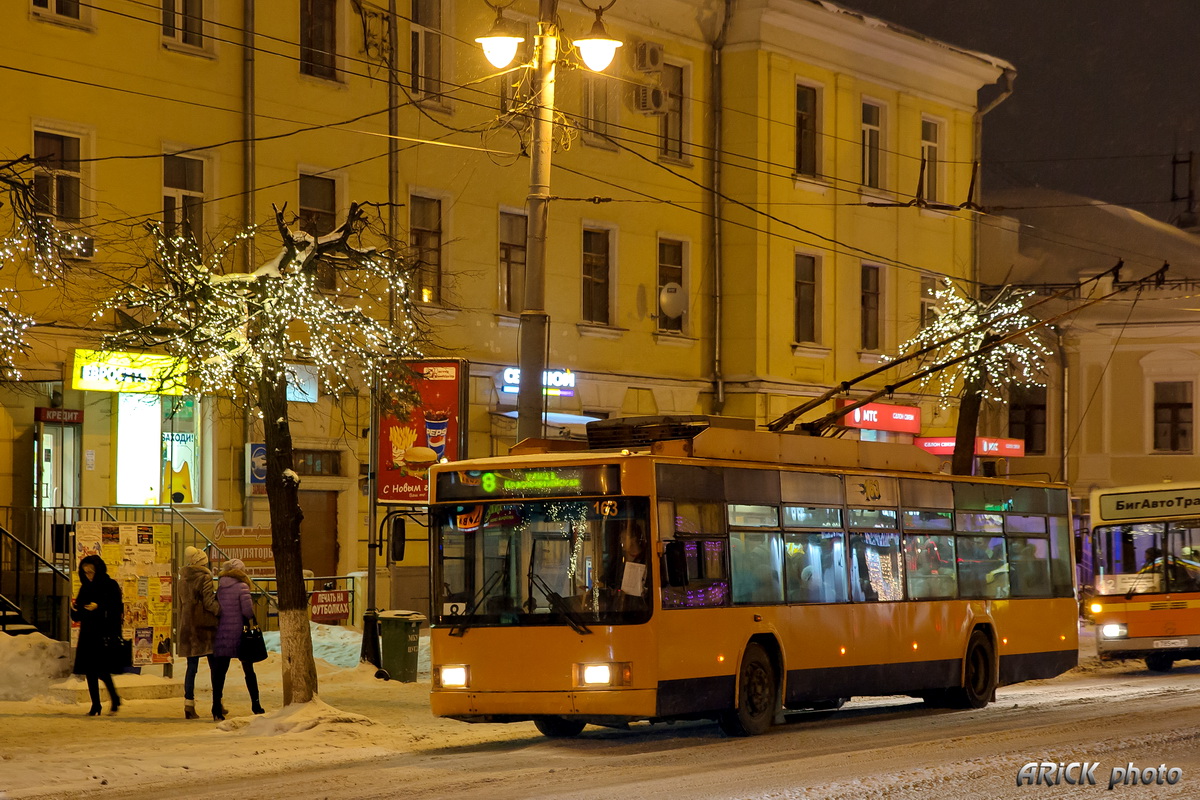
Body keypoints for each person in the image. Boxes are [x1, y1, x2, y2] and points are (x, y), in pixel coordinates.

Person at [211, 558, 265, 719]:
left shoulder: (221, 587)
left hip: (223, 632)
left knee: (220, 672)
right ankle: (256, 705)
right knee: (249, 670)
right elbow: (247, 611)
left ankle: (216, 707)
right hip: (241, 634)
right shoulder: (242, 586)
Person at [71, 554, 123, 716]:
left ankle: (114, 698)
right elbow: (78, 614)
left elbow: (116, 607)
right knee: (90, 670)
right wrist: (75, 610)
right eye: (85, 572)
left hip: (103, 632)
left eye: (91, 572)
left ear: (98, 570)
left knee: (102, 670)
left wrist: (98, 606)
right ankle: (96, 705)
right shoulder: (85, 587)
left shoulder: (110, 585)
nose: (88, 575)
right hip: (88, 633)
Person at [179, 545, 220, 720]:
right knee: (215, 667)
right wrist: (220, 610)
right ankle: (217, 703)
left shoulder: (182, 579)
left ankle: (189, 704)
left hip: (188, 626)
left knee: (191, 667)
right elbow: (209, 602)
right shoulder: (205, 578)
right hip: (205, 627)